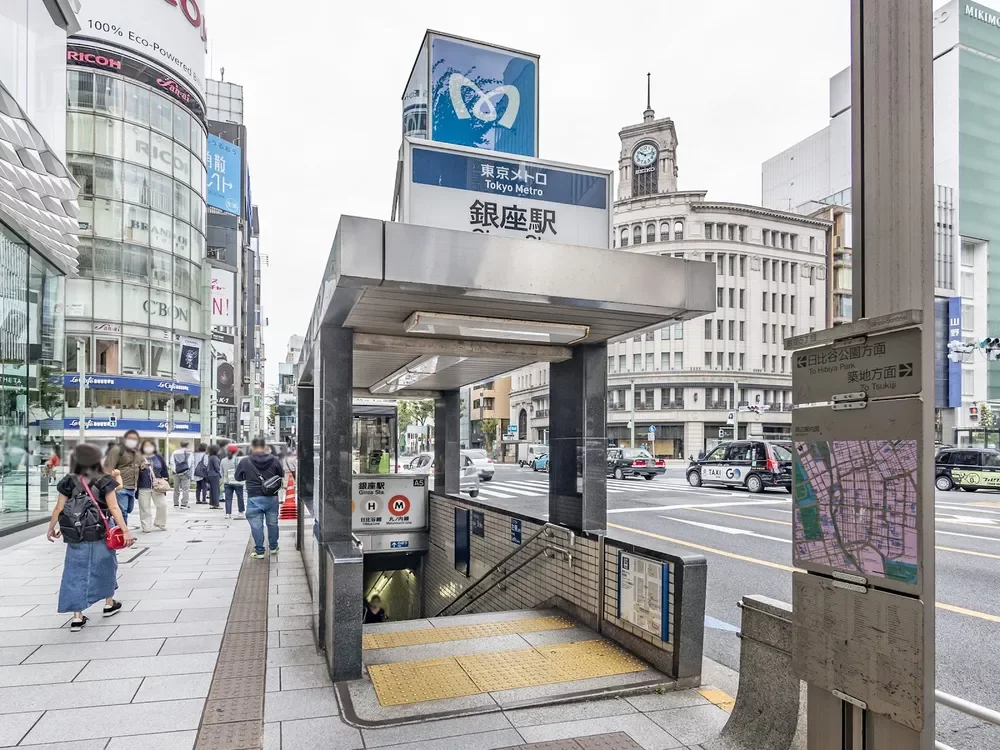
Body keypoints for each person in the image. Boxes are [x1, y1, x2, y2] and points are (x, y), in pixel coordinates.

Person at [46, 443, 135, 631]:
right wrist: (125, 530)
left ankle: (77, 617)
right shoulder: (104, 480)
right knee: (106, 565)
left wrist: (51, 528)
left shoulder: (69, 480)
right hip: (101, 530)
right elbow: (113, 508)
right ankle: (108, 604)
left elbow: (59, 508)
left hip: (77, 533)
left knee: (74, 570)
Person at [235, 437, 284, 558]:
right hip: (271, 497)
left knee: (256, 525)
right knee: (272, 523)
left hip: (254, 496)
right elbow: (281, 475)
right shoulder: (274, 460)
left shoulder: (245, 461)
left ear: (252, 447)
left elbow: (238, 477)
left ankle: (260, 551)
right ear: (265, 447)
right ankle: (273, 546)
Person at [104, 430, 144, 527]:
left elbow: (140, 465)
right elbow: (108, 467)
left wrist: (143, 467)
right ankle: (122, 534)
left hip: (132, 486)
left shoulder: (137, 452)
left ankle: (114, 525)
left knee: (128, 510)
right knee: (123, 512)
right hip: (120, 486)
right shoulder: (117, 450)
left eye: (135, 439)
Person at [137, 439, 169, 532]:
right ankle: (146, 525)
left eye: (150, 446)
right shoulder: (139, 457)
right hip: (143, 485)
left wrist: (165, 479)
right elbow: (133, 471)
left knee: (162, 505)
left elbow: (164, 470)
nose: (148, 448)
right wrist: (142, 467)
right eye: (146, 446)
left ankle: (160, 522)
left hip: (157, 486)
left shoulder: (158, 457)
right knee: (144, 507)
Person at [220, 444, 245, 520]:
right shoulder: (239, 460)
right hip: (238, 481)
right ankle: (241, 512)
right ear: (236, 452)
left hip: (227, 482)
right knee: (240, 497)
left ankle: (228, 513)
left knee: (228, 498)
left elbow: (221, 472)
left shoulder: (223, 460)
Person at [171, 440, 192, 508]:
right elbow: (190, 463)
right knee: (185, 489)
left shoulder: (175, 452)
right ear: (187, 445)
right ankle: (184, 503)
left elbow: (172, 463)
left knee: (176, 489)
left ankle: (176, 503)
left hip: (176, 473)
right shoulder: (189, 453)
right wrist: (185, 471)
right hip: (186, 473)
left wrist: (176, 471)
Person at [205, 444, 223, 509]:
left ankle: (212, 503)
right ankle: (216, 504)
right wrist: (220, 473)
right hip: (215, 475)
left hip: (210, 475)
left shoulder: (210, 457)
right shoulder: (215, 458)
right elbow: (217, 467)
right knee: (216, 490)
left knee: (212, 490)